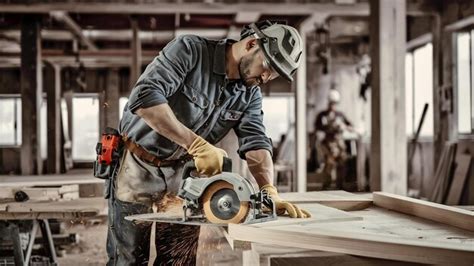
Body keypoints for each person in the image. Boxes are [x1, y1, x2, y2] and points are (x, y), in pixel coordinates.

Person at [106, 20, 311, 265]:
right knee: (128, 260)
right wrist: (196, 145)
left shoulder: (250, 94)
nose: (267, 77)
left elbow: (255, 140)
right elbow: (144, 98)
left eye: (275, 74)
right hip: (138, 165)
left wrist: (269, 189)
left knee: (178, 260)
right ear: (252, 44)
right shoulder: (190, 51)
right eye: (268, 66)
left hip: (185, 177)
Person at [314, 89, 354, 190]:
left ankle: (340, 185)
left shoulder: (340, 115)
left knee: (342, 162)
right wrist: (327, 127)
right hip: (327, 142)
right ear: (328, 102)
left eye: (335, 103)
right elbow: (316, 129)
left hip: (339, 142)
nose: (333, 105)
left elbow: (351, 126)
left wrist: (343, 126)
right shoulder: (322, 115)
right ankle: (326, 185)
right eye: (331, 103)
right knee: (329, 163)